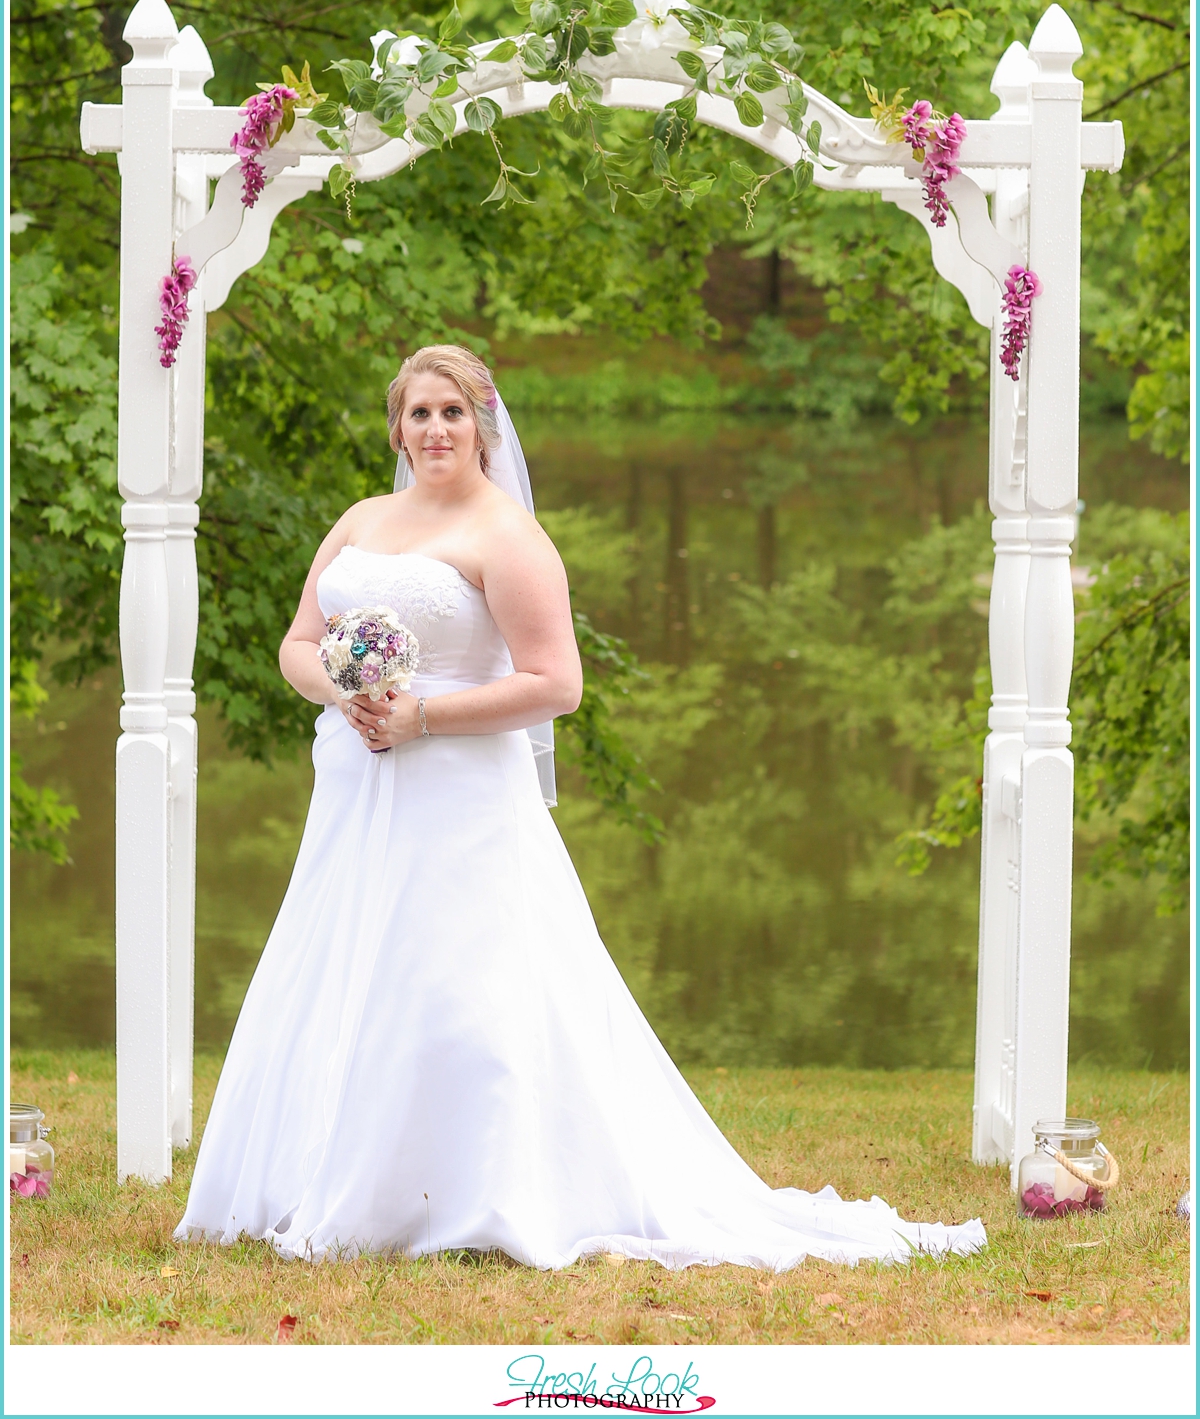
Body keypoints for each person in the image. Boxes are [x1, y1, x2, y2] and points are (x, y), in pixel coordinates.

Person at [175, 343, 986, 1269]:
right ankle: (313, 1181)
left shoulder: (508, 536)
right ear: (395, 426)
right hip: (356, 779)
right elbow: (297, 641)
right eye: (418, 413)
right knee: (340, 968)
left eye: (453, 412)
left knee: (455, 985)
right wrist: (342, 692)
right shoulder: (362, 519)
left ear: (483, 425)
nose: (434, 429)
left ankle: (474, 1190)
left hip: (460, 791)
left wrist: (423, 715)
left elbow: (557, 684)